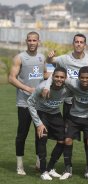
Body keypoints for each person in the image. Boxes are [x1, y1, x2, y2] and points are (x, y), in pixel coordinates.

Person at [44, 66, 88, 180]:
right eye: (82, 78)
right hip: (74, 117)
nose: (84, 80)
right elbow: (52, 76)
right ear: (78, 78)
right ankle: (68, 169)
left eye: (87, 78)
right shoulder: (72, 83)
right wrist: (46, 87)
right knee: (67, 140)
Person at [8, 31, 47, 175]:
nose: (32, 43)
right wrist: (27, 88)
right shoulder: (19, 58)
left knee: (41, 134)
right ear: (26, 41)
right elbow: (12, 78)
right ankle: (19, 165)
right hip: (24, 103)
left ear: (38, 42)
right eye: (29, 40)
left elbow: (44, 75)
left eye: (34, 40)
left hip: (40, 104)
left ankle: (39, 162)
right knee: (22, 134)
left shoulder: (42, 57)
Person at [27, 67, 69, 180]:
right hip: (42, 113)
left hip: (55, 113)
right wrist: (38, 123)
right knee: (42, 138)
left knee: (63, 140)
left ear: (66, 78)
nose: (59, 79)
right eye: (56, 76)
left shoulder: (67, 88)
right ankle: (43, 171)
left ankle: (50, 168)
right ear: (52, 77)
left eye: (62, 77)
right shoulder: (42, 87)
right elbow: (30, 103)